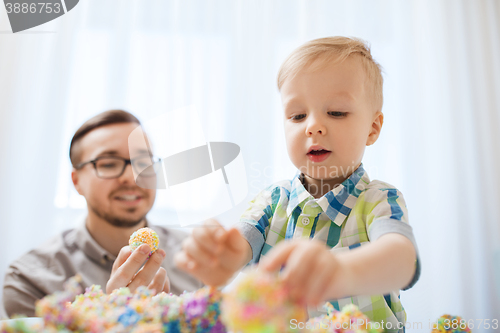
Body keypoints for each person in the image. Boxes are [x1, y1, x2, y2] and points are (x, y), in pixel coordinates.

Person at [175, 37, 420, 331]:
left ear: (373, 127)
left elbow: (403, 261)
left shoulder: (379, 199)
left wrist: (340, 271)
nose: (312, 125)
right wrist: (220, 256)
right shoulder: (272, 199)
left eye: (337, 112)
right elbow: (240, 246)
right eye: (297, 115)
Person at [2, 110, 202, 318]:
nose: (132, 177)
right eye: (108, 163)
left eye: (143, 163)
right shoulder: (28, 280)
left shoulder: (196, 257)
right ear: (76, 181)